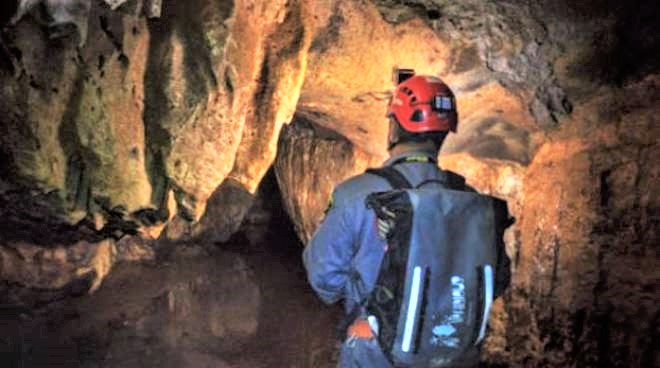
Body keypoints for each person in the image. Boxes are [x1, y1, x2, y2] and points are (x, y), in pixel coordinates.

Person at [303, 72, 511, 368]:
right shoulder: (470, 200)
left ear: (393, 128)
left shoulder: (357, 194)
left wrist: (363, 310)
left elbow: (322, 275)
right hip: (452, 355)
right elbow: (497, 279)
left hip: (377, 351)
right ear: (443, 135)